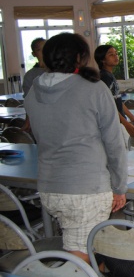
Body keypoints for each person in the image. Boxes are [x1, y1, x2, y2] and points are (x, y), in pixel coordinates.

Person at [24, 33, 127, 263]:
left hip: (49, 187)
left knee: (79, 248)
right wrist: (119, 186)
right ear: (81, 58)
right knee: (79, 260)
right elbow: (114, 142)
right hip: (85, 190)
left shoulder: (33, 91)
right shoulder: (95, 89)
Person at [94, 45, 134, 139]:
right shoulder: (105, 77)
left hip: (119, 121)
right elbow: (109, 105)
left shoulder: (110, 75)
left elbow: (118, 100)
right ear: (102, 60)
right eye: (111, 55)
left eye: (116, 53)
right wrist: (126, 124)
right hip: (113, 123)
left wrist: (131, 117)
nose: (116, 56)